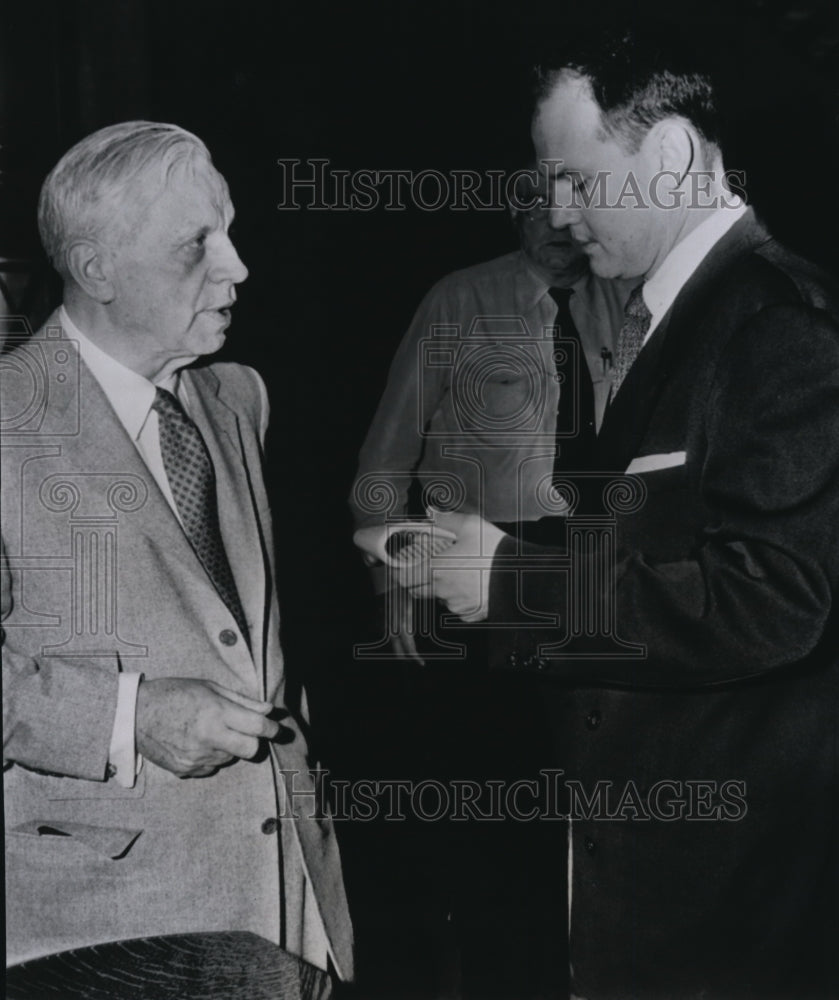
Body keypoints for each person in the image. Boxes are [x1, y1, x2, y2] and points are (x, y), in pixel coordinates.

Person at [405, 30, 839, 1000]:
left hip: (734, 914)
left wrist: (515, 584)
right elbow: (660, 548)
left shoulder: (779, 325)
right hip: (657, 889)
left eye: (578, 178)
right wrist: (495, 562)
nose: (557, 213)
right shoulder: (678, 319)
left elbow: (773, 595)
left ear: (674, 158)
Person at [1, 122, 353, 988]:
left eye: (228, 232)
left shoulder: (237, 398)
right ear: (95, 270)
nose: (237, 266)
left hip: (283, 906)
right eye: (198, 243)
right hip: (95, 933)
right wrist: (130, 716)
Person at [350, 173, 631, 999]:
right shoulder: (460, 300)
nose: (554, 223)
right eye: (534, 205)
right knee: (492, 820)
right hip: (471, 581)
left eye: (568, 205)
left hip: (585, 581)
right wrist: (389, 579)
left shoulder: (631, 304)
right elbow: (383, 458)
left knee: (583, 815)